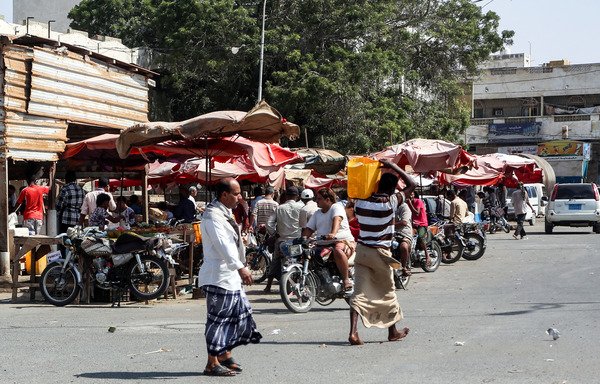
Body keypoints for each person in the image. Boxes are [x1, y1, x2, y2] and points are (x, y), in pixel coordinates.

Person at [198, 178, 261, 376]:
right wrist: (241, 267)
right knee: (218, 320)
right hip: (219, 275)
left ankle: (225, 354)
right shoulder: (212, 216)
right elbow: (222, 245)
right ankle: (211, 362)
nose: (239, 197)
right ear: (224, 195)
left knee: (237, 316)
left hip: (230, 276)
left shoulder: (225, 213)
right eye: (236, 193)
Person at [349, 160, 416, 346]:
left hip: (361, 251)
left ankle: (353, 332)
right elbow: (412, 184)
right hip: (380, 253)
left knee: (358, 293)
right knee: (388, 293)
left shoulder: (360, 202)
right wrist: (392, 166)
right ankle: (393, 332)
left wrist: (372, 174)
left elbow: (358, 189)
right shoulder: (391, 203)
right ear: (394, 189)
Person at [302, 188, 356, 292]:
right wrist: (303, 238)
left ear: (328, 200)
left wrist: (333, 234)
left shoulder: (336, 207)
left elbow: (337, 219)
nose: (316, 201)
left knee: (338, 250)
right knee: (308, 254)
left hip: (342, 241)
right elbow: (309, 229)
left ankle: (346, 280)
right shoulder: (317, 213)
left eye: (319, 199)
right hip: (323, 244)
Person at [264, 186, 304, 293]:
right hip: (296, 241)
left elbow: (269, 223)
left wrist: (274, 233)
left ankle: (268, 286)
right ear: (297, 196)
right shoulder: (301, 207)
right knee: (300, 261)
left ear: (286, 196)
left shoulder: (280, 208)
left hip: (282, 241)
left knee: (275, 262)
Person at [406, 191, 430, 267]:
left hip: (422, 224)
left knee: (420, 237)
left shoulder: (418, 201)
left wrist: (409, 203)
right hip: (413, 224)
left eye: (412, 194)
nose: (410, 196)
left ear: (414, 195)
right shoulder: (407, 203)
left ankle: (427, 256)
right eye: (409, 195)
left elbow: (417, 213)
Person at [395, 201, 413, 277]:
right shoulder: (387, 206)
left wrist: (389, 225)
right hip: (390, 232)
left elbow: (404, 222)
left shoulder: (404, 207)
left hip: (404, 233)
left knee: (404, 246)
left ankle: (404, 267)